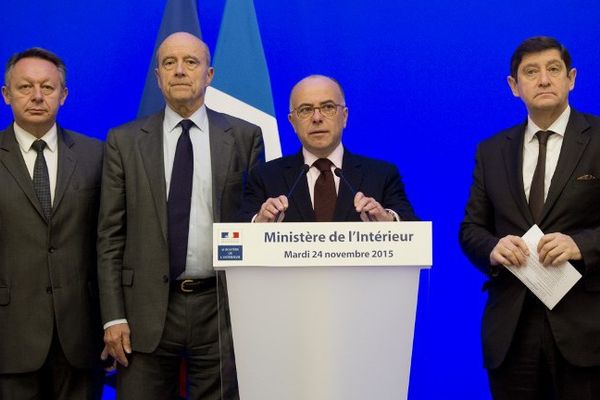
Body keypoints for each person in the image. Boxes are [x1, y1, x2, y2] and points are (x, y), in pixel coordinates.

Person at [97, 32, 264, 399]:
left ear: (210, 74)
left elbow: (255, 229)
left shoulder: (245, 137)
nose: (180, 71)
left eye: (191, 62)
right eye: (169, 63)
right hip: (143, 312)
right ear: (157, 76)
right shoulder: (123, 141)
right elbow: (109, 237)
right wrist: (113, 316)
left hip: (219, 308)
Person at [459, 36, 600, 399]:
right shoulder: (491, 151)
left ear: (571, 78)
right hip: (511, 330)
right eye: (531, 72)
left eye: (553, 70)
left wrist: (581, 244)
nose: (543, 80)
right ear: (514, 86)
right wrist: (493, 248)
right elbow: (471, 229)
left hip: (587, 326)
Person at [0, 48, 104, 399]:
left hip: (80, 337)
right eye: (25, 87)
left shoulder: (96, 155)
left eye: (48, 86)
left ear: (64, 95)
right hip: (9, 336)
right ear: (6, 94)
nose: (37, 96)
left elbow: (109, 241)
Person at [239, 74, 417, 223]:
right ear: (292, 122)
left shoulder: (381, 175)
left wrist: (388, 220)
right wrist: (259, 222)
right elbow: (239, 231)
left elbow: (413, 230)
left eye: (328, 107)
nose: (317, 118)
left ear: (344, 116)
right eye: (305, 110)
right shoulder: (265, 177)